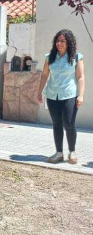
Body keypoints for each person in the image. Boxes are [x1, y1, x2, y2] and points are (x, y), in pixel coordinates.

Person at [37, 29, 85, 165]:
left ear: (69, 42)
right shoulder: (49, 57)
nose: (59, 43)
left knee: (69, 124)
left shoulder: (76, 57)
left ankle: (72, 152)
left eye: (62, 41)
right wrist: (39, 92)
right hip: (52, 95)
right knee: (57, 124)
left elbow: (81, 77)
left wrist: (80, 95)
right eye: (57, 41)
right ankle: (59, 153)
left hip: (70, 94)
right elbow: (45, 75)